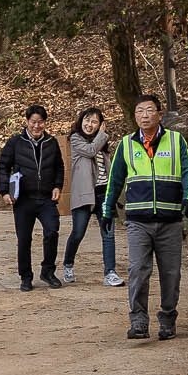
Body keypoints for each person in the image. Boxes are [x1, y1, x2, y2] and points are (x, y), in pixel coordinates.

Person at [100, 93, 188, 341]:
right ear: (135, 116)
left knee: (170, 273)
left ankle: (167, 318)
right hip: (138, 221)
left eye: (149, 110)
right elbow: (115, 180)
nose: (144, 115)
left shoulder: (176, 141)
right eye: (140, 111)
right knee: (138, 271)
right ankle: (139, 321)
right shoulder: (126, 144)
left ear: (159, 114)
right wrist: (107, 209)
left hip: (170, 220)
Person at [0, 105, 66, 291]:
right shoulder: (15, 142)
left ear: (45, 122)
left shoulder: (51, 142)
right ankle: (25, 276)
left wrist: (58, 186)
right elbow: (3, 167)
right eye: (33, 122)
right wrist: (4, 191)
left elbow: (59, 166)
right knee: (24, 239)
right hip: (23, 199)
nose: (37, 126)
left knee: (52, 232)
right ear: (27, 122)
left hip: (46, 199)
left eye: (40, 122)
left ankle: (48, 272)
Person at [62, 106, 121, 287]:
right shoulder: (76, 139)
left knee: (108, 234)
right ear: (81, 121)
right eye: (87, 120)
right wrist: (102, 135)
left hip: (103, 193)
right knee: (78, 232)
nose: (90, 124)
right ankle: (68, 264)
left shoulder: (101, 145)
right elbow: (89, 151)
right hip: (84, 194)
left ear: (100, 124)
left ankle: (110, 272)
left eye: (94, 121)